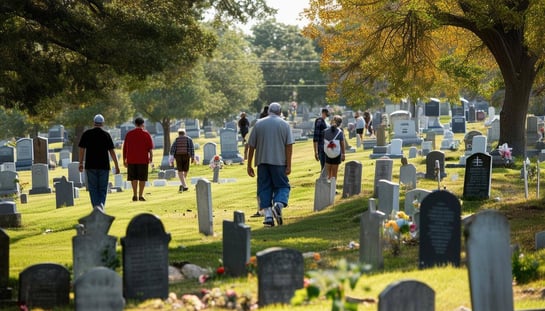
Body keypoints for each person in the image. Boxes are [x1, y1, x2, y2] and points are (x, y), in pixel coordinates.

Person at [247, 102, 294, 227]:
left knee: (264, 188)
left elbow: (251, 146)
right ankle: (278, 204)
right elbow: (289, 146)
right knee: (283, 186)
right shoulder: (284, 124)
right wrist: (289, 165)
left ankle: (268, 216)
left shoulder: (259, 123)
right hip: (279, 162)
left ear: (269, 112)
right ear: (280, 112)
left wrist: (249, 164)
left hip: (262, 161)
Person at [78, 114, 120, 208]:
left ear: (94, 123)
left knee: (93, 189)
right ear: (102, 124)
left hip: (90, 165)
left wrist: (80, 162)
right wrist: (117, 166)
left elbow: (81, 149)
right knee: (102, 189)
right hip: (103, 166)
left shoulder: (87, 134)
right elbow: (112, 152)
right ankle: (101, 206)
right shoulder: (106, 135)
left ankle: (96, 208)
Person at [122, 117, 154, 201]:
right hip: (143, 159)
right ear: (143, 124)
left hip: (131, 159)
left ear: (135, 124)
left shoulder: (129, 134)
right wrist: (151, 157)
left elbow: (125, 148)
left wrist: (124, 160)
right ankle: (141, 195)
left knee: (134, 178)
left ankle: (134, 194)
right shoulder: (146, 134)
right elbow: (150, 148)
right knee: (142, 178)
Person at [170, 128, 195, 193]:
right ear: (184, 133)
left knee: (180, 171)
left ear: (179, 134)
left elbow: (172, 149)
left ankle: (183, 185)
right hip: (187, 155)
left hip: (178, 156)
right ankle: (184, 185)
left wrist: (172, 158)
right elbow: (192, 148)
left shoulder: (176, 139)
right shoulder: (189, 139)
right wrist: (192, 157)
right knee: (186, 170)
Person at [324, 115, 346, 180]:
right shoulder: (340, 132)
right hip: (336, 154)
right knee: (334, 173)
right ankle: (333, 188)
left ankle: (328, 188)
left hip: (328, 153)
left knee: (329, 173)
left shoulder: (325, 131)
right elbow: (342, 144)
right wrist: (343, 154)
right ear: (340, 124)